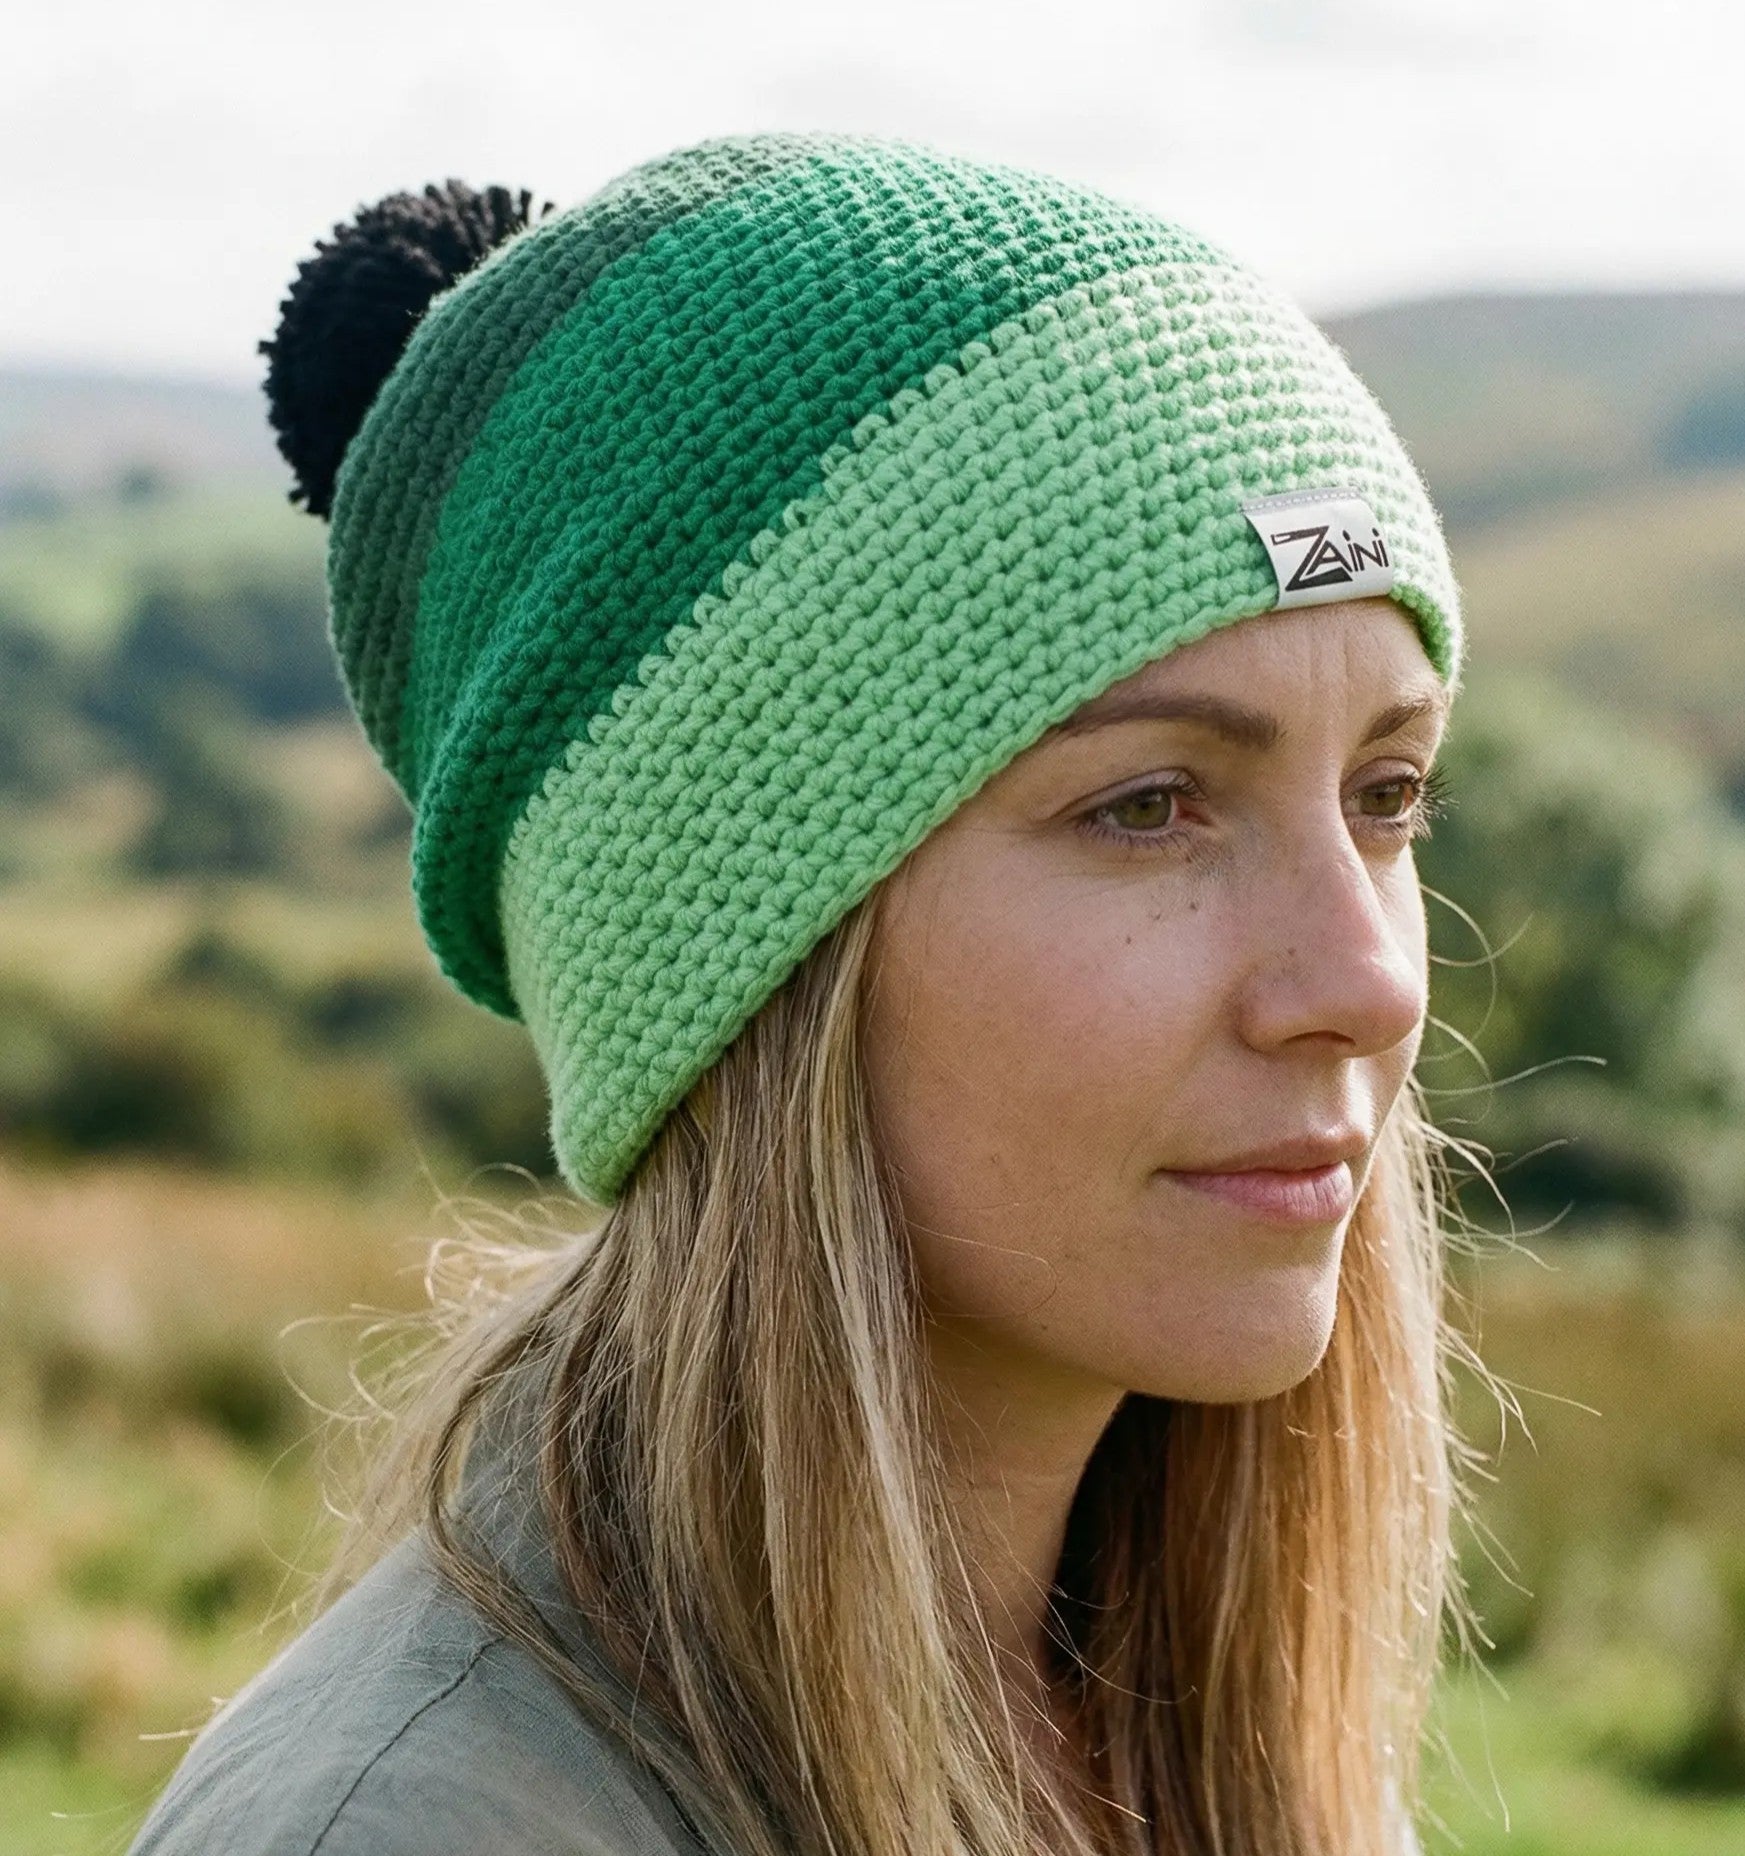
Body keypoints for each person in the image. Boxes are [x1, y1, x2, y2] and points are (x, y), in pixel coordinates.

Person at [127, 130, 1484, 1856]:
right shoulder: (418, 1828)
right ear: (746, 962)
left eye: (1386, 794)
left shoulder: (1194, 1742)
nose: (1367, 980)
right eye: (1149, 807)